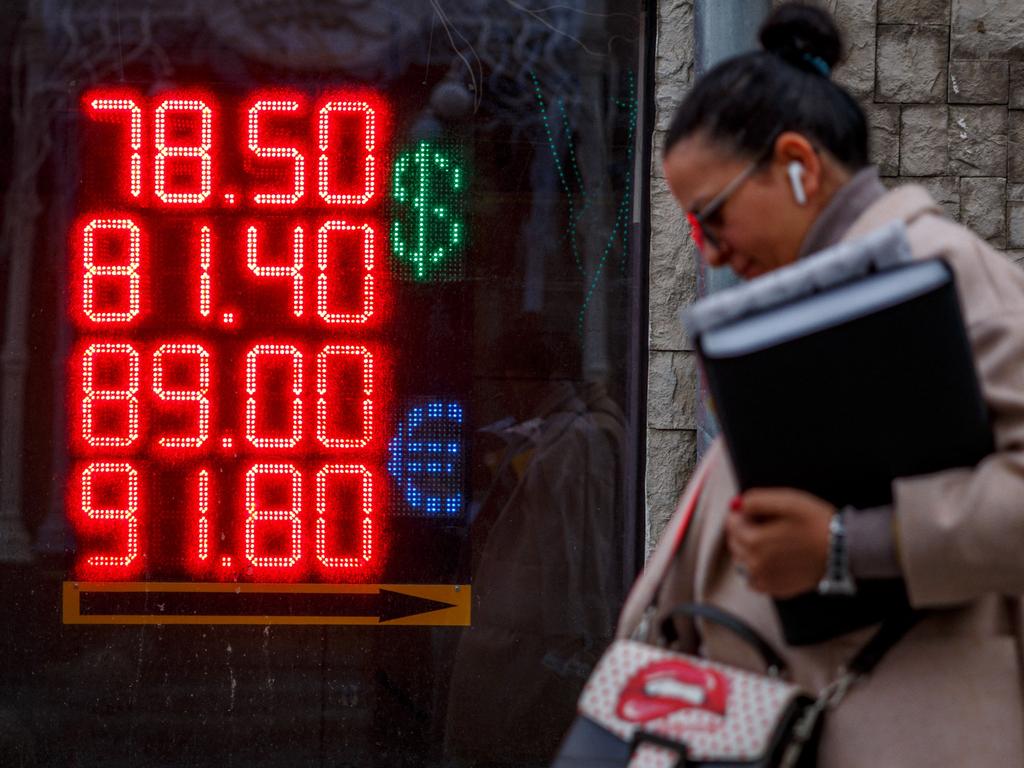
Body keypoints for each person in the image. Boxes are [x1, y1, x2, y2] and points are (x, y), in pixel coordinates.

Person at [617, 3, 1024, 765]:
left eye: (712, 215)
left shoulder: (940, 270)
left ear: (798, 165)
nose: (709, 249)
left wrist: (844, 546)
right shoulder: (814, 305)